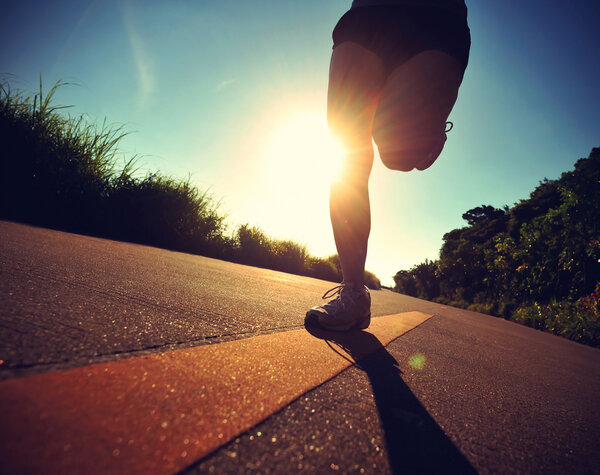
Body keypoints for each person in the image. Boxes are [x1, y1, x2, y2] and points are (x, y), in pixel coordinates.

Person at [305, 0, 471, 331]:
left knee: (398, 156)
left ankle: (430, 132)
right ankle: (353, 291)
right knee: (347, 140)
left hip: (438, 16)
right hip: (371, 11)